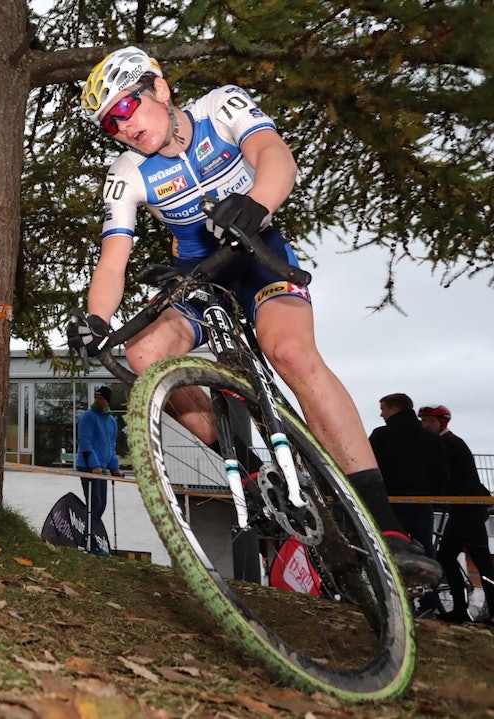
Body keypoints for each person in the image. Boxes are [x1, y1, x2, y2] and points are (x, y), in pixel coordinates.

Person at [68, 46, 440, 585]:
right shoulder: (127, 173)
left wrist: (258, 203)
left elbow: (275, 154)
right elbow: (113, 257)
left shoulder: (221, 109)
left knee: (289, 351)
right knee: (143, 353)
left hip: (257, 254)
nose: (121, 128)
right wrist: (97, 318)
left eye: (125, 109)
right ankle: (245, 467)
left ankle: (387, 528)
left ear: (161, 89)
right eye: (109, 124)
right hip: (197, 273)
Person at [418, 404, 494, 624]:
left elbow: (442, 476)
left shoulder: (449, 443)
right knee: (446, 558)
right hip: (459, 509)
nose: (424, 425)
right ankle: (460, 609)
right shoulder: (445, 442)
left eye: (428, 421)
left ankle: (489, 610)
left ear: (442, 423)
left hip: (469, 509)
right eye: (422, 421)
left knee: (481, 562)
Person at [369, 393, 449, 556]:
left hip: (390, 502)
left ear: (394, 409)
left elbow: (370, 467)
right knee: (425, 544)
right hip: (422, 501)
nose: (381, 414)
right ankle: (428, 579)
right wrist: (434, 495)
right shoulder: (432, 438)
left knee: (392, 546)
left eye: (383, 409)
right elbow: (441, 472)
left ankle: (397, 580)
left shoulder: (381, 435)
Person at [75, 386, 122, 557]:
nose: (97, 401)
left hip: (101, 469)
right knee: (94, 503)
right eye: (95, 397)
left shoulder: (112, 422)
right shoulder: (88, 418)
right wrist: (94, 465)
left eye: (100, 398)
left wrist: (114, 468)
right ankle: (88, 541)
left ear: (107, 401)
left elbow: (111, 447)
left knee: (100, 505)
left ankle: (86, 537)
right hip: (88, 466)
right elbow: (85, 443)